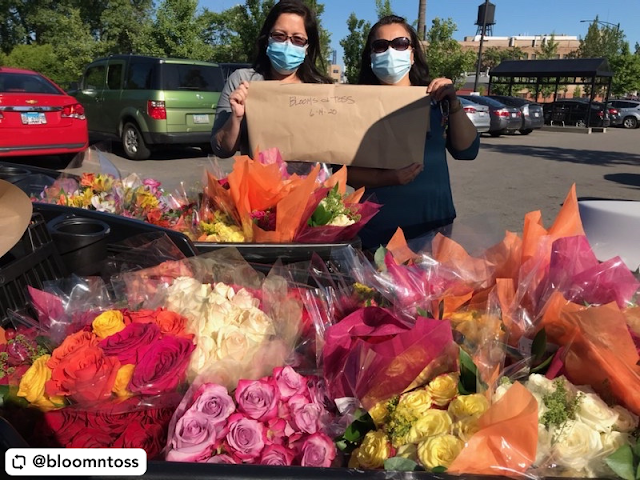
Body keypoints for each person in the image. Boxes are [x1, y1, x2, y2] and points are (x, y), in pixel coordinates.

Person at [348, 15, 480, 251]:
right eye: (380, 46)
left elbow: (467, 151)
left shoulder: (433, 100)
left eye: (399, 43)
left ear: (412, 54)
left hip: (434, 228)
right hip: (377, 231)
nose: (390, 51)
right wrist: (387, 179)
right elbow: (341, 172)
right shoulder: (356, 105)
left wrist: (454, 103)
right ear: (370, 56)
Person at [211, 0, 333, 158]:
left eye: (297, 39)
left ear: (307, 46)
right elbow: (221, 149)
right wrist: (236, 118)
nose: (287, 44)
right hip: (259, 181)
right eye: (279, 36)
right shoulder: (242, 81)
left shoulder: (320, 88)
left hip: (310, 182)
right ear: (267, 38)